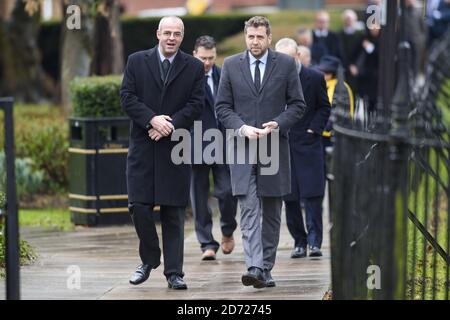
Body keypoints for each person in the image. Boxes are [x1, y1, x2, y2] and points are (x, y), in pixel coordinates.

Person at [215, 16, 306, 288]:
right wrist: (241, 128)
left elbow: (298, 105)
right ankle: (254, 265)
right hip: (242, 148)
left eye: (259, 37)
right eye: (250, 37)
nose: (255, 42)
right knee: (249, 208)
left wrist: (278, 123)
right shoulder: (230, 65)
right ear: (246, 37)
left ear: (269, 38)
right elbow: (222, 108)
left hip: (274, 148)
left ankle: (266, 268)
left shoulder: (287, 64)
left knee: (271, 210)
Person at [120, 16, 204, 290]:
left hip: (175, 148)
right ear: (158, 34)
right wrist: (152, 120)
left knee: (173, 213)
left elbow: (196, 104)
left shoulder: (193, 66)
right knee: (138, 206)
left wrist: (169, 125)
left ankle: (174, 273)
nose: (171, 38)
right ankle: (149, 258)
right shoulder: (136, 61)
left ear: (182, 37)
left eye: (176, 34)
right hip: (143, 146)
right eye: (166, 32)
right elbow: (127, 97)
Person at [275, 38, 331, 258]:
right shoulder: (273, 79)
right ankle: (299, 241)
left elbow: (324, 107)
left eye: (288, 58)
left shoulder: (314, 77)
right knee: (289, 197)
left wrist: (314, 130)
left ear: (297, 55)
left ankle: (315, 241)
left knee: (313, 195)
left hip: (308, 144)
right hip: (284, 144)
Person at [190, 35, 238, 261]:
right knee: (199, 197)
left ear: (216, 55)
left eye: (210, 58)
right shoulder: (186, 77)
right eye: (202, 58)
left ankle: (227, 230)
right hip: (194, 143)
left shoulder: (224, 75)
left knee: (228, 192)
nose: (206, 63)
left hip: (224, 142)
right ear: (194, 55)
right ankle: (207, 243)